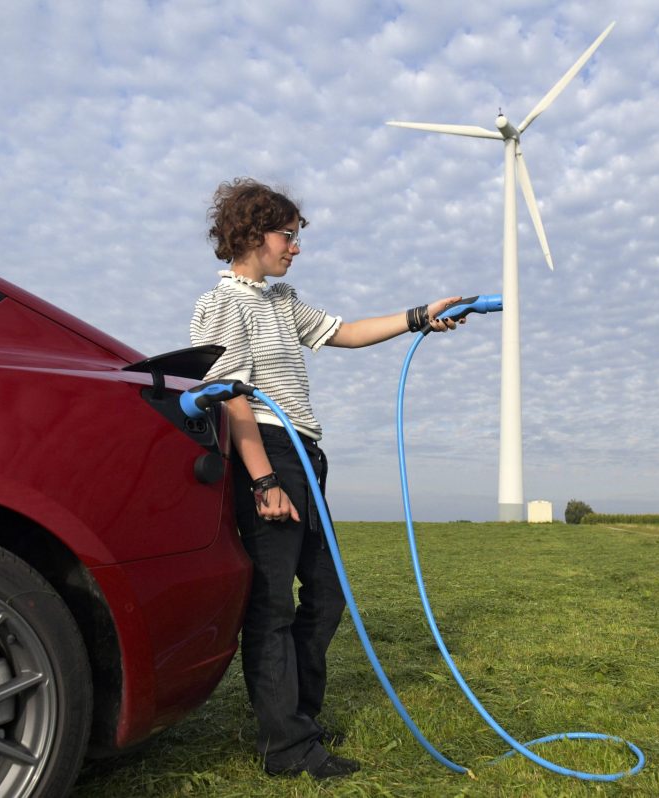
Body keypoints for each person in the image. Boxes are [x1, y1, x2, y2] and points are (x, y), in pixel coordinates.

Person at [190, 177, 462, 780]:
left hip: (305, 456)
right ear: (254, 233)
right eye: (288, 235)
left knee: (328, 595)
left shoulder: (282, 301)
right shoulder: (222, 304)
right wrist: (263, 482)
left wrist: (420, 316)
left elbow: (345, 332)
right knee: (272, 606)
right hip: (268, 451)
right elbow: (231, 396)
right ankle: (287, 748)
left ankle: (296, 722)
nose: (296, 247)